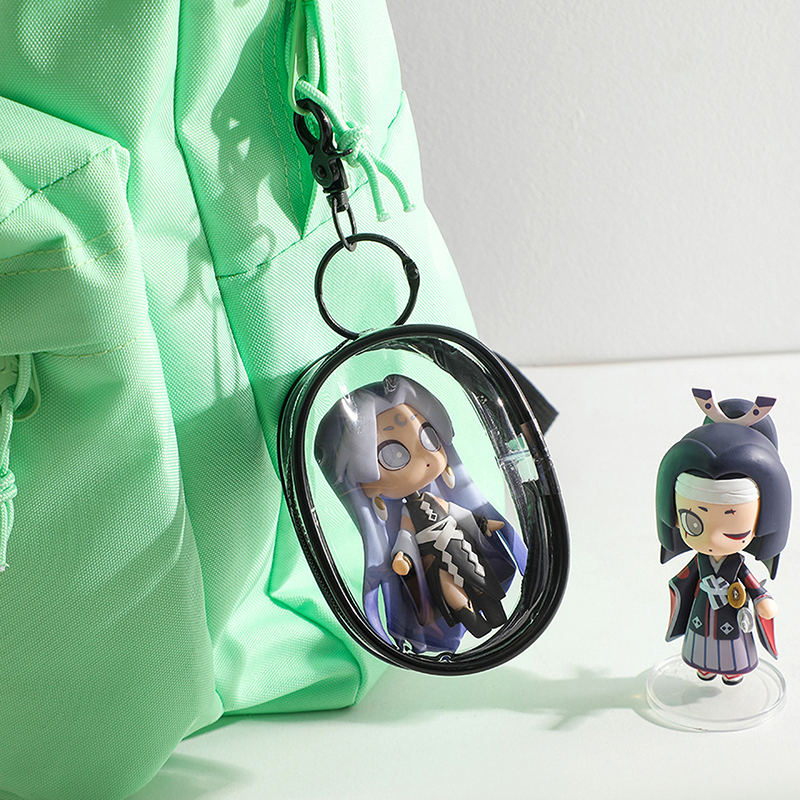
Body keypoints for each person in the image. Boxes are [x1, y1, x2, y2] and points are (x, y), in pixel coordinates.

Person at [315, 374, 526, 653]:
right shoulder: (407, 513)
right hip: (432, 559)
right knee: (451, 591)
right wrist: (402, 557)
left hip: (460, 545)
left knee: (479, 577)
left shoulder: (439, 501)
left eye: (428, 437)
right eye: (392, 455)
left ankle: (494, 612)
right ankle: (473, 620)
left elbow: (460, 514)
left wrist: (484, 524)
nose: (424, 459)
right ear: (367, 483)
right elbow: (405, 535)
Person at [655, 389, 791, 684]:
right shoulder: (700, 563)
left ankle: (731, 671)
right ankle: (704, 667)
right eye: (694, 523)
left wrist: (762, 599)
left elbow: (753, 587)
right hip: (702, 613)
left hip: (731, 616)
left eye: (733, 526)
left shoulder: (736, 566)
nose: (714, 538)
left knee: (731, 649)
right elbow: (682, 581)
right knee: (701, 645)